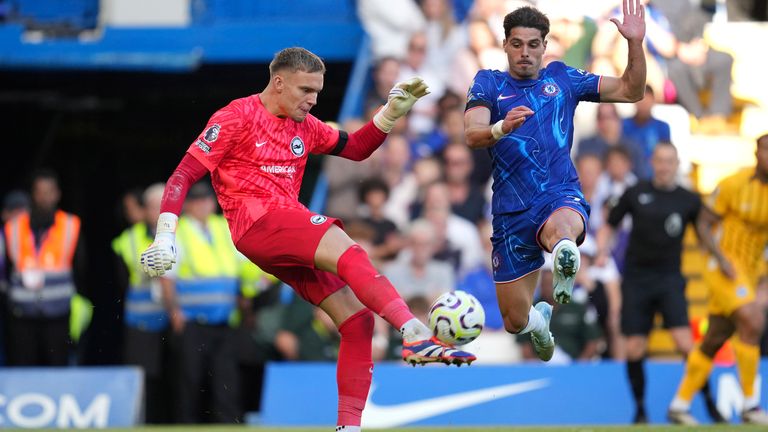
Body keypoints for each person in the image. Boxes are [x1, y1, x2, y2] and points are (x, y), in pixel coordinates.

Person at [139, 47, 475, 432]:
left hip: (279, 236)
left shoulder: (305, 124)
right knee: (350, 250)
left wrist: (390, 113)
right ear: (278, 82)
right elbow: (182, 175)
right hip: (259, 222)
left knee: (357, 321)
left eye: (317, 91)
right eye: (305, 90)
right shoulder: (235, 117)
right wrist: (165, 234)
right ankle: (412, 331)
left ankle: (348, 427)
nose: (313, 99)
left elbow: (358, 147)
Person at [463, 0, 647, 362]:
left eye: (534, 44)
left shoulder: (563, 79)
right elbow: (472, 134)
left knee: (562, 229)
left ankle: (565, 250)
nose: (525, 53)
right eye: (517, 44)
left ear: (545, 47)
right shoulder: (489, 82)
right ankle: (539, 321)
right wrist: (502, 127)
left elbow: (631, 90)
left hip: (558, 194)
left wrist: (635, 44)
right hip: (510, 211)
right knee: (514, 320)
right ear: (505, 45)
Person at [596, 142, 721, 424]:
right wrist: (603, 251)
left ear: (677, 165)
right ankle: (640, 410)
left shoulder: (688, 199)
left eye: (669, 161)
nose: (664, 166)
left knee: (685, 343)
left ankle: (710, 405)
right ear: (653, 162)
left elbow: (705, 232)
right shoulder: (636, 192)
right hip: (637, 279)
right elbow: (609, 224)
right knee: (635, 347)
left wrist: (719, 260)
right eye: (660, 161)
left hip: (669, 279)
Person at [668, 134, 768, 425]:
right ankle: (751, 406)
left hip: (748, 272)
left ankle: (679, 405)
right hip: (721, 266)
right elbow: (703, 222)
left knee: (715, 337)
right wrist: (721, 259)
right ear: (756, 154)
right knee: (752, 319)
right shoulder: (734, 185)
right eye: (765, 150)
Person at [159, 182, 244, 423]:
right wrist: (174, 311)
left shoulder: (223, 227)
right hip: (192, 321)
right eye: (196, 201)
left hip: (224, 320)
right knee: (189, 379)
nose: (203, 205)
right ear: (187, 205)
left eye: (206, 199)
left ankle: (228, 426)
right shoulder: (180, 232)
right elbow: (168, 277)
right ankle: (186, 425)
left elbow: (241, 267)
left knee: (226, 380)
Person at [3, 169, 85, 366]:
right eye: (39, 192)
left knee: (57, 368)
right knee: (22, 369)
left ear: (57, 194)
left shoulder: (70, 225)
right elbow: (6, 267)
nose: (44, 197)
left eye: (49, 191)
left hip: (58, 312)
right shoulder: (13, 227)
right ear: (33, 194)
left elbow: (81, 268)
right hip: (21, 313)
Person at [112, 183, 173, 423]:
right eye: (153, 207)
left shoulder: (185, 232)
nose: (158, 213)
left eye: (163, 207)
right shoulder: (129, 239)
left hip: (176, 318)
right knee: (145, 379)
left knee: (178, 377)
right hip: (141, 320)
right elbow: (121, 282)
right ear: (144, 210)